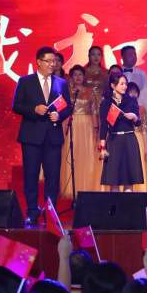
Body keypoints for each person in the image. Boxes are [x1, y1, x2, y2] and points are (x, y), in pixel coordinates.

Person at [12, 46, 73, 226]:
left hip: (53, 136)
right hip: (31, 136)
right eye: (49, 61)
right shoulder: (25, 81)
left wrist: (59, 115)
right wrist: (34, 109)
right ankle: (32, 211)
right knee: (31, 175)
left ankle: (50, 214)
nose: (53, 64)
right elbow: (16, 105)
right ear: (39, 62)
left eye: (54, 61)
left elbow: (67, 106)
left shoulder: (61, 83)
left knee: (52, 177)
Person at [99, 74, 144, 192]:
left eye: (125, 84)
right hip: (114, 140)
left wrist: (134, 117)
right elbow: (104, 126)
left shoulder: (131, 101)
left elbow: (138, 122)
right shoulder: (106, 103)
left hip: (129, 140)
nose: (125, 86)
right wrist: (102, 147)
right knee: (113, 178)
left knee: (129, 178)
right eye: (121, 84)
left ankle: (128, 203)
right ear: (113, 85)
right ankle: (115, 203)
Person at [60, 65, 101, 197]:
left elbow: (94, 112)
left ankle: (86, 187)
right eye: (75, 75)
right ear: (71, 77)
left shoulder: (90, 92)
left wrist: (96, 130)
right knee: (72, 155)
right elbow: (62, 111)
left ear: (84, 77)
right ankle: (71, 189)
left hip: (87, 126)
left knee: (87, 156)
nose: (78, 77)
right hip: (72, 124)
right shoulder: (66, 92)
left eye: (80, 74)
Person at [127, 82, 147, 192]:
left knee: (138, 164)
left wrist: (146, 147)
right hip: (127, 137)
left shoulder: (141, 109)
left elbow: (144, 129)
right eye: (130, 92)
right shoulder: (122, 107)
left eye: (135, 92)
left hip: (139, 139)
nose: (133, 94)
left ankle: (140, 191)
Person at [84, 45, 108, 113]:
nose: (96, 57)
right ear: (89, 56)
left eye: (98, 54)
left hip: (102, 104)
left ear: (102, 57)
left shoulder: (106, 72)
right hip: (86, 104)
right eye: (93, 54)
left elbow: (108, 90)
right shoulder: (83, 72)